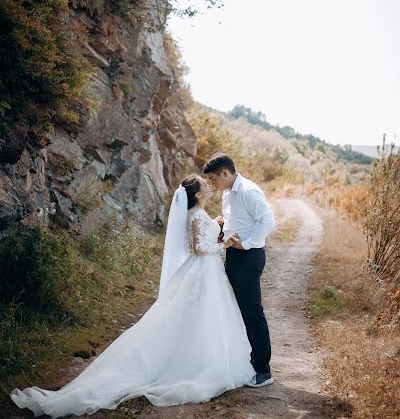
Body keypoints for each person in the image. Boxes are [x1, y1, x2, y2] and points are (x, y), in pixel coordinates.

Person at [10, 174, 257, 418]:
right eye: (205, 184)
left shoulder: (199, 214)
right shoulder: (194, 216)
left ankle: (206, 358)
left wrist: (215, 223)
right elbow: (199, 249)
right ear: (197, 194)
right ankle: (196, 364)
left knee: (205, 317)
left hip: (207, 273)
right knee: (197, 316)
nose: (209, 185)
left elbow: (203, 236)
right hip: (202, 271)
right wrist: (223, 245)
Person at [203, 152, 276, 387]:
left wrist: (246, 243)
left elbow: (267, 221)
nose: (213, 184)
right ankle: (247, 362)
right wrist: (221, 230)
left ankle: (263, 370)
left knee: (252, 313)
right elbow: (236, 221)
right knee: (237, 310)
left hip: (249, 256)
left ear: (226, 173)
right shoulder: (228, 193)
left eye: (214, 179)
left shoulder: (248, 191)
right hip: (234, 255)